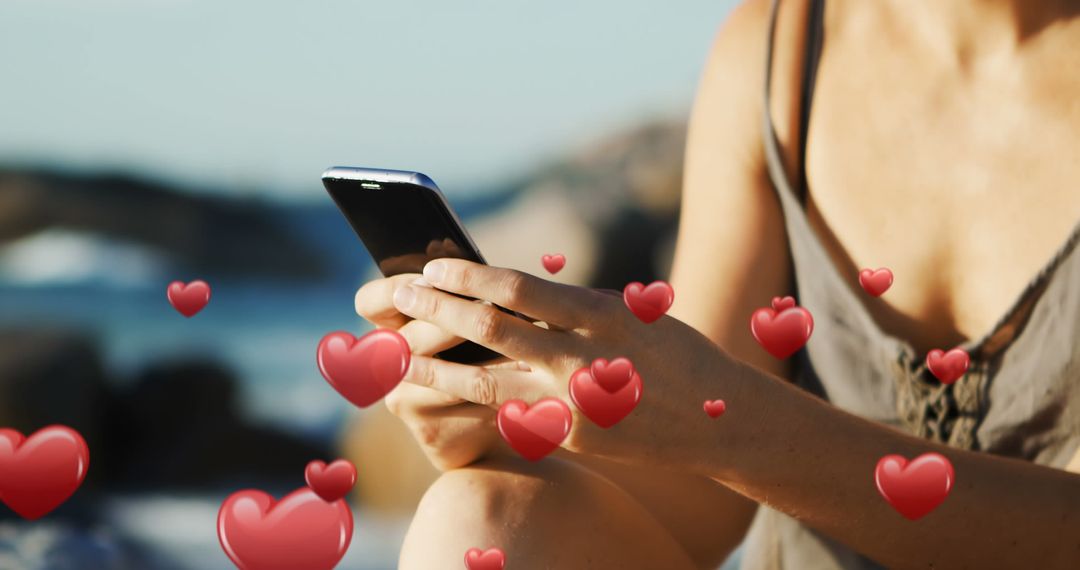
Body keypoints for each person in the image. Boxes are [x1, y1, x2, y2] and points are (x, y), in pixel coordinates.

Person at [353, 0, 1080, 567]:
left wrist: (724, 421)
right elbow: (695, 509)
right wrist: (508, 417)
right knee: (478, 519)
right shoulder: (779, 53)